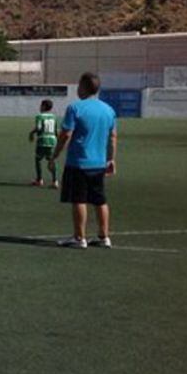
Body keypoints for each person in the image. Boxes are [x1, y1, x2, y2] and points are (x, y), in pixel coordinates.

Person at [53, 73, 117, 249]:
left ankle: (79, 237)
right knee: (99, 200)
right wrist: (111, 159)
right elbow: (113, 137)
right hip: (99, 163)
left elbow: (66, 134)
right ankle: (104, 237)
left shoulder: (75, 108)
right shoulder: (108, 110)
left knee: (79, 199)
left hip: (79, 162)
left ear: (84, 87)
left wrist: (55, 154)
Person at [29, 99, 59, 188]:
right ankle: (55, 181)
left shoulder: (40, 116)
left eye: (41, 105)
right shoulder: (54, 117)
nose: (40, 107)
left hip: (42, 140)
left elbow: (38, 128)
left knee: (38, 159)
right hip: (52, 141)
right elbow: (56, 131)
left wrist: (31, 133)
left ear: (44, 106)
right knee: (52, 160)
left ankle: (39, 180)